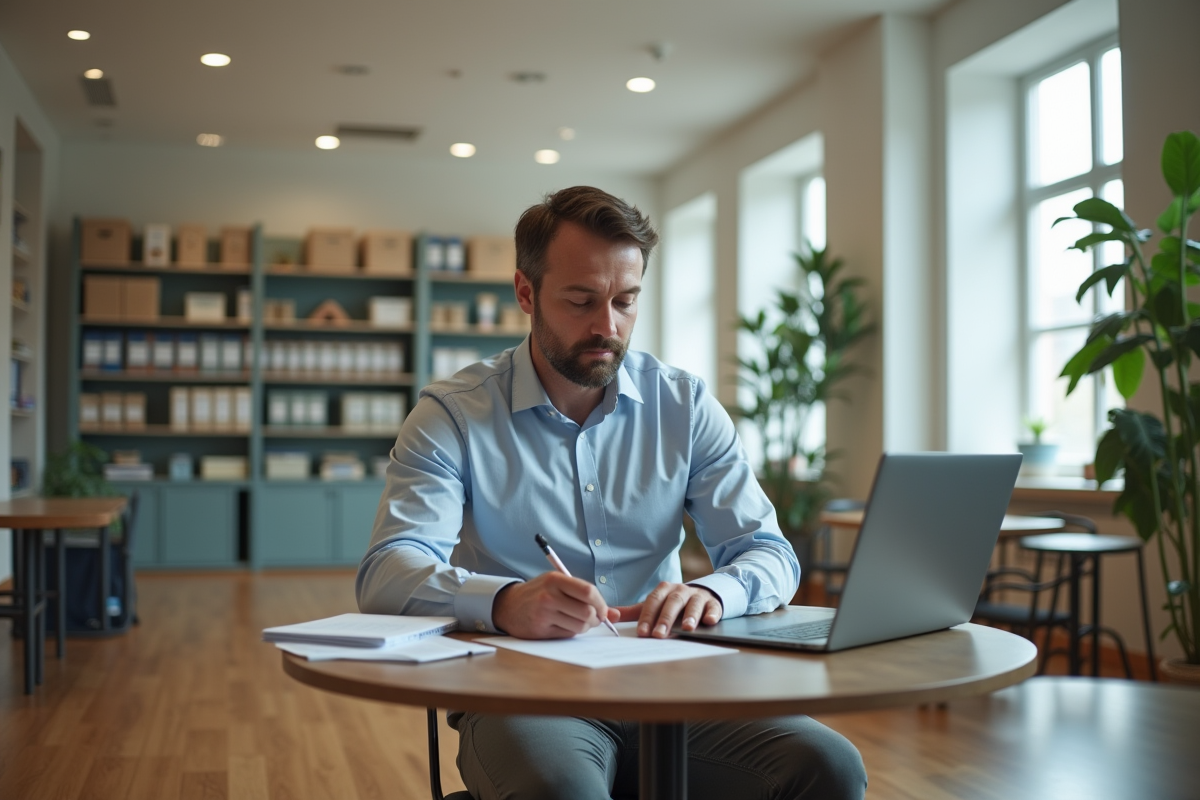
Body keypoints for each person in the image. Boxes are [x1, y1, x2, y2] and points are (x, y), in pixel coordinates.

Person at [357, 186, 867, 799]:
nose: (607, 326)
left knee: (829, 766)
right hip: (521, 691)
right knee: (563, 790)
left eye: (626, 301)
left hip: (674, 681)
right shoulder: (453, 415)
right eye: (581, 300)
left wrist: (711, 592)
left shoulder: (684, 405)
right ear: (526, 292)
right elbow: (389, 569)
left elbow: (769, 552)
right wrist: (505, 602)